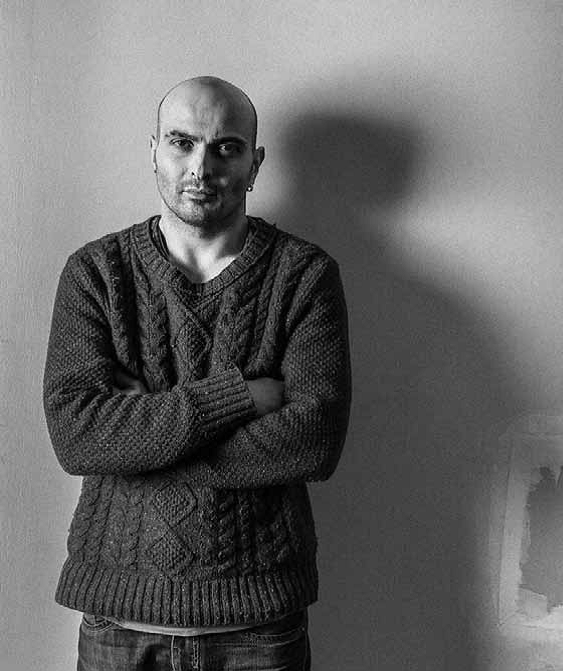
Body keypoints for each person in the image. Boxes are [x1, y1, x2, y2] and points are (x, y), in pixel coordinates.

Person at [43, 76, 351, 671]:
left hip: (259, 626)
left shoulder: (304, 276)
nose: (200, 168)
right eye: (181, 142)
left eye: (225, 148)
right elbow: (77, 436)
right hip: (119, 625)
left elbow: (313, 442)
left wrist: (141, 438)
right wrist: (239, 398)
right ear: (153, 150)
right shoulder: (95, 274)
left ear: (255, 163)